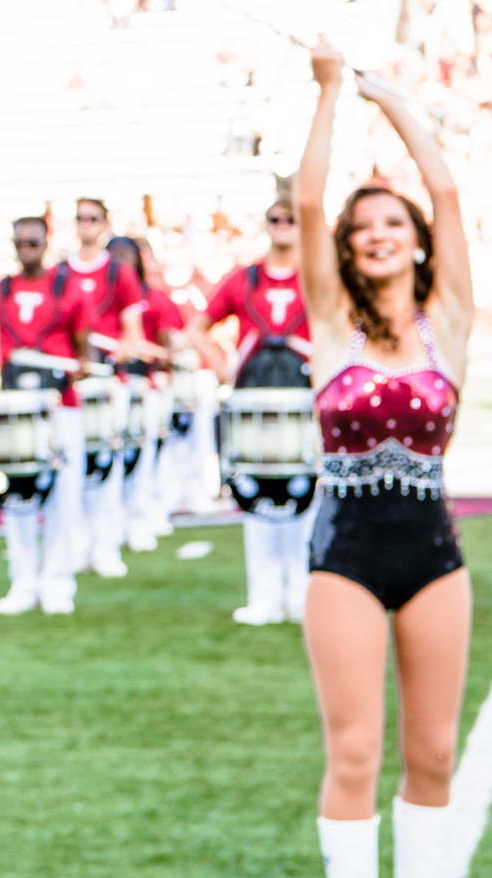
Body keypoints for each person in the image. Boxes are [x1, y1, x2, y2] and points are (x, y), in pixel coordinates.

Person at [297, 42, 476, 878]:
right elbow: (305, 204)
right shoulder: (334, 325)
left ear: (416, 241)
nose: (377, 236)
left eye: (392, 224)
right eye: (362, 227)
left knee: (435, 754)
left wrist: (396, 104)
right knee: (356, 755)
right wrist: (331, 93)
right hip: (347, 559)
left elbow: (444, 189)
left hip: (436, 557)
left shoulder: (450, 321)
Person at [188, 201, 316, 624]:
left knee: (303, 494)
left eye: (291, 220)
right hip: (253, 404)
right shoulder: (244, 279)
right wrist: (223, 367)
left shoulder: (318, 280)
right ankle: (263, 596)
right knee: (257, 495)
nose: (283, 227)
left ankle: (301, 594)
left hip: (302, 405)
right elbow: (197, 328)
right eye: (276, 219)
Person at [0, 216, 84, 614]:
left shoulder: (70, 289)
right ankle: (24, 581)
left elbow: (85, 350)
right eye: (19, 243)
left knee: (64, 497)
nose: (25, 249)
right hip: (15, 408)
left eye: (32, 242)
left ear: (46, 243)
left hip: (61, 406)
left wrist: (76, 367)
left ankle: (58, 582)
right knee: (17, 498)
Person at [65, 199, 147, 576]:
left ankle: (106, 545)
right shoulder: (60, 273)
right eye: (81, 218)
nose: (86, 224)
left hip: (110, 381)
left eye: (93, 218)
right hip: (72, 385)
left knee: (108, 467)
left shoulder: (120, 274)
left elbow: (133, 336)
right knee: (71, 468)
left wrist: (114, 350)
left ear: (105, 223)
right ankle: (76, 545)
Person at [110, 235, 183, 551]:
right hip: (112, 386)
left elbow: (169, 350)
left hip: (146, 385)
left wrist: (140, 349)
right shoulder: (101, 300)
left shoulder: (153, 298)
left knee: (144, 455)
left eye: (125, 257)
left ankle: (143, 516)